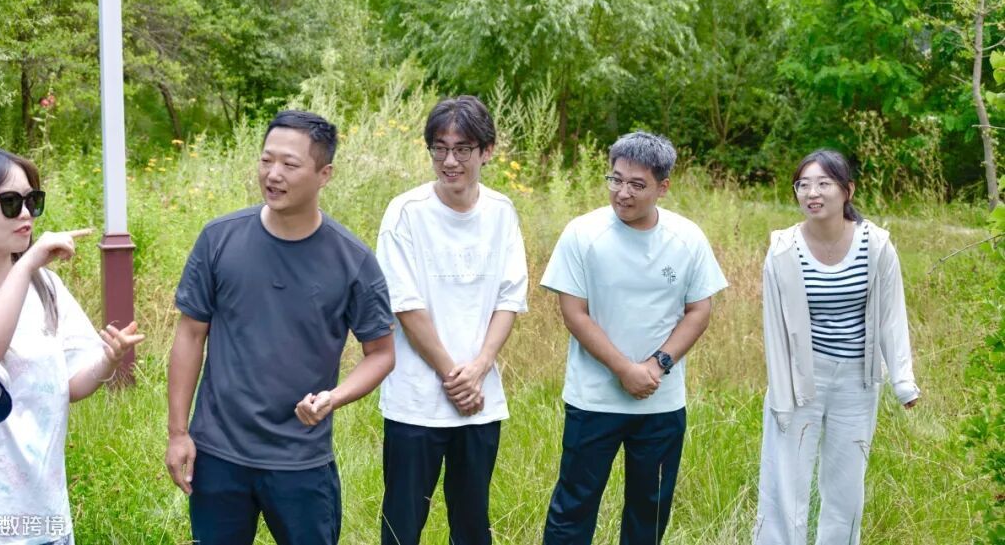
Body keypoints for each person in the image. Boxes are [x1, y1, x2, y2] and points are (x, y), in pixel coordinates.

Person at [165, 110, 395, 545]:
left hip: (301, 459)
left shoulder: (353, 260)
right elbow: (190, 334)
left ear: (324, 174)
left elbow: (381, 353)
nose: (273, 174)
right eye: (266, 160)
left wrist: (334, 397)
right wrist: (178, 433)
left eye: (289, 164)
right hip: (218, 453)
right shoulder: (219, 239)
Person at [0, 144, 143, 545]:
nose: (26, 214)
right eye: (10, 202)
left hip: (42, 517)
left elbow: (69, 383)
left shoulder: (46, 288)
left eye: (32, 200)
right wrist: (27, 264)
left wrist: (107, 362)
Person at [541, 132, 728, 545]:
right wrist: (625, 369)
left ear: (663, 187)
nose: (622, 193)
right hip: (593, 399)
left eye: (637, 184)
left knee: (650, 509)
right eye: (616, 179)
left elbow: (699, 310)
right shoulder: (582, 233)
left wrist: (657, 364)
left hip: (661, 402)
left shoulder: (687, 238)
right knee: (573, 506)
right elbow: (574, 313)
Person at [377, 96, 528, 545]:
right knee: (402, 523)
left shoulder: (501, 211)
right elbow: (405, 305)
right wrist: (454, 376)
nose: (449, 161)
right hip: (415, 401)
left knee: (472, 522)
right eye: (439, 149)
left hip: (480, 402)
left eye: (462, 149)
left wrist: (479, 368)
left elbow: (509, 297)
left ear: (487, 151)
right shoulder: (405, 212)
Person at [753, 149, 920, 545]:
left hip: (856, 381)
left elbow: (891, 315)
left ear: (848, 190)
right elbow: (773, 327)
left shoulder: (876, 245)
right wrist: (780, 391)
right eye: (803, 185)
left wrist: (903, 382)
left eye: (823, 184)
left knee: (846, 487)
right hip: (799, 379)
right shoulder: (783, 249)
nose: (812, 193)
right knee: (783, 481)